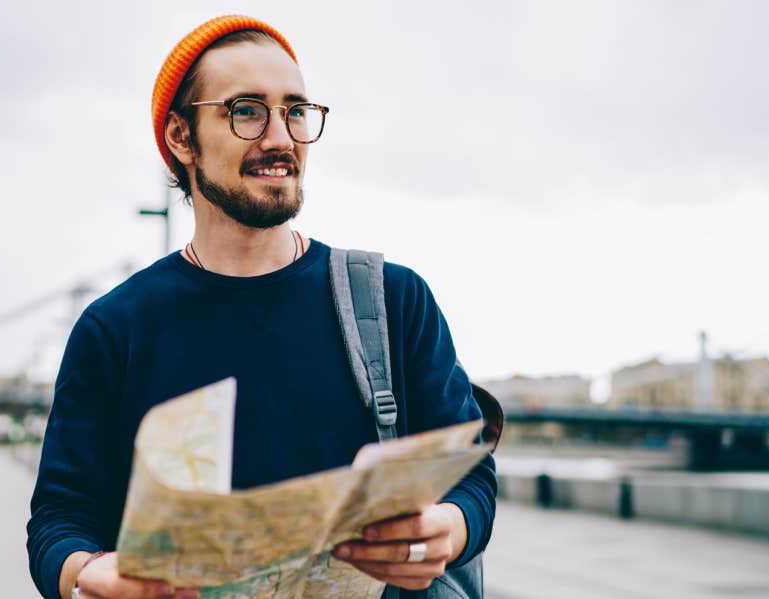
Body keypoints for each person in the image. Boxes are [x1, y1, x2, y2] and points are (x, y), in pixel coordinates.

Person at [26, 15, 496, 599]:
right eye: (247, 110)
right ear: (180, 137)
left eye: (295, 111)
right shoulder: (114, 328)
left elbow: (472, 477)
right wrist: (89, 575)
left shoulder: (393, 301)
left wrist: (443, 533)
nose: (281, 138)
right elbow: (59, 521)